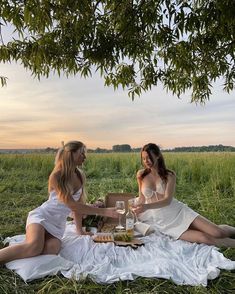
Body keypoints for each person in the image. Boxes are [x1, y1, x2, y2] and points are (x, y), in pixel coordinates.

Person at [0, 140, 118, 264]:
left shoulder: (79, 175)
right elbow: (72, 205)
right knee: (34, 247)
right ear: (70, 154)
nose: (85, 156)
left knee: (52, 249)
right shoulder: (56, 176)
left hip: (57, 225)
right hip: (42, 217)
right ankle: (28, 245)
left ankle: (27, 246)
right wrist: (105, 211)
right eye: (81, 153)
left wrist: (80, 231)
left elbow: (78, 205)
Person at [134, 143, 235, 248]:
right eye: (144, 158)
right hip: (163, 222)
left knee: (218, 232)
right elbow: (142, 198)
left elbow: (167, 200)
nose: (146, 161)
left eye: (149, 158)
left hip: (178, 212)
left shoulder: (169, 175)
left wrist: (146, 207)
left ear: (158, 156)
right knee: (204, 238)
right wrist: (136, 208)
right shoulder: (141, 175)